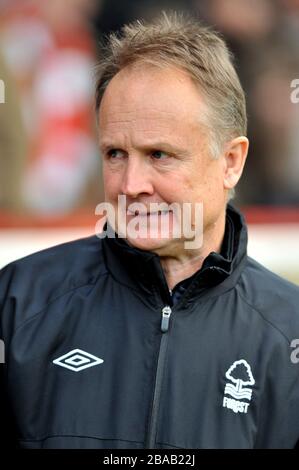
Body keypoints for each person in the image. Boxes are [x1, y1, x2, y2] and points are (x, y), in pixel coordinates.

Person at [1, 12, 299, 450]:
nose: (130, 184)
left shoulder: (288, 330)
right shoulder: (18, 303)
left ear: (231, 162)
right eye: (115, 153)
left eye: (159, 154)